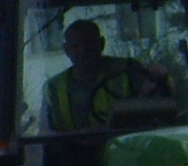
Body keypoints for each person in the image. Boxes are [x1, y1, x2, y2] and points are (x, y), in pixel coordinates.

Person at [42, 18, 172, 131]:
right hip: (71, 154)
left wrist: (161, 80)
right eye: (76, 46)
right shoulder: (53, 88)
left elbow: (159, 107)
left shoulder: (129, 70)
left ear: (102, 44)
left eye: (89, 44)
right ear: (66, 50)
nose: (83, 51)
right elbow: (47, 131)